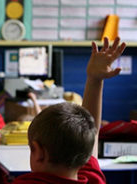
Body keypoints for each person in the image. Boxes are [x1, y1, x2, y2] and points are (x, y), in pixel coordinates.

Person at [12, 37, 126, 183]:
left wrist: (94, 80)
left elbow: (93, 135)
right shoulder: (93, 180)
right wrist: (95, 79)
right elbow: (93, 134)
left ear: (38, 151)